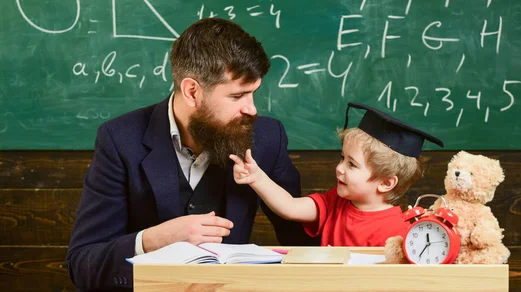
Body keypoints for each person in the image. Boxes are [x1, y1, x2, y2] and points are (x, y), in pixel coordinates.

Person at [66, 18, 317, 291]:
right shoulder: (120, 139)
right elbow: (83, 265)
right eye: (237, 96)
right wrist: (153, 239)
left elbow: (304, 240)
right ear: (192, 91)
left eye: (253, 93)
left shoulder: (268, 138)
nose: (252, 109)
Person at [230, 102, 445, 247]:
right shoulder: (334, 203)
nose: (339, 168)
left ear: (386, 182)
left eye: (352, 164)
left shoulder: (401, 231)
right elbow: (290, 207)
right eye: (342, 158)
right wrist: (257, 177)